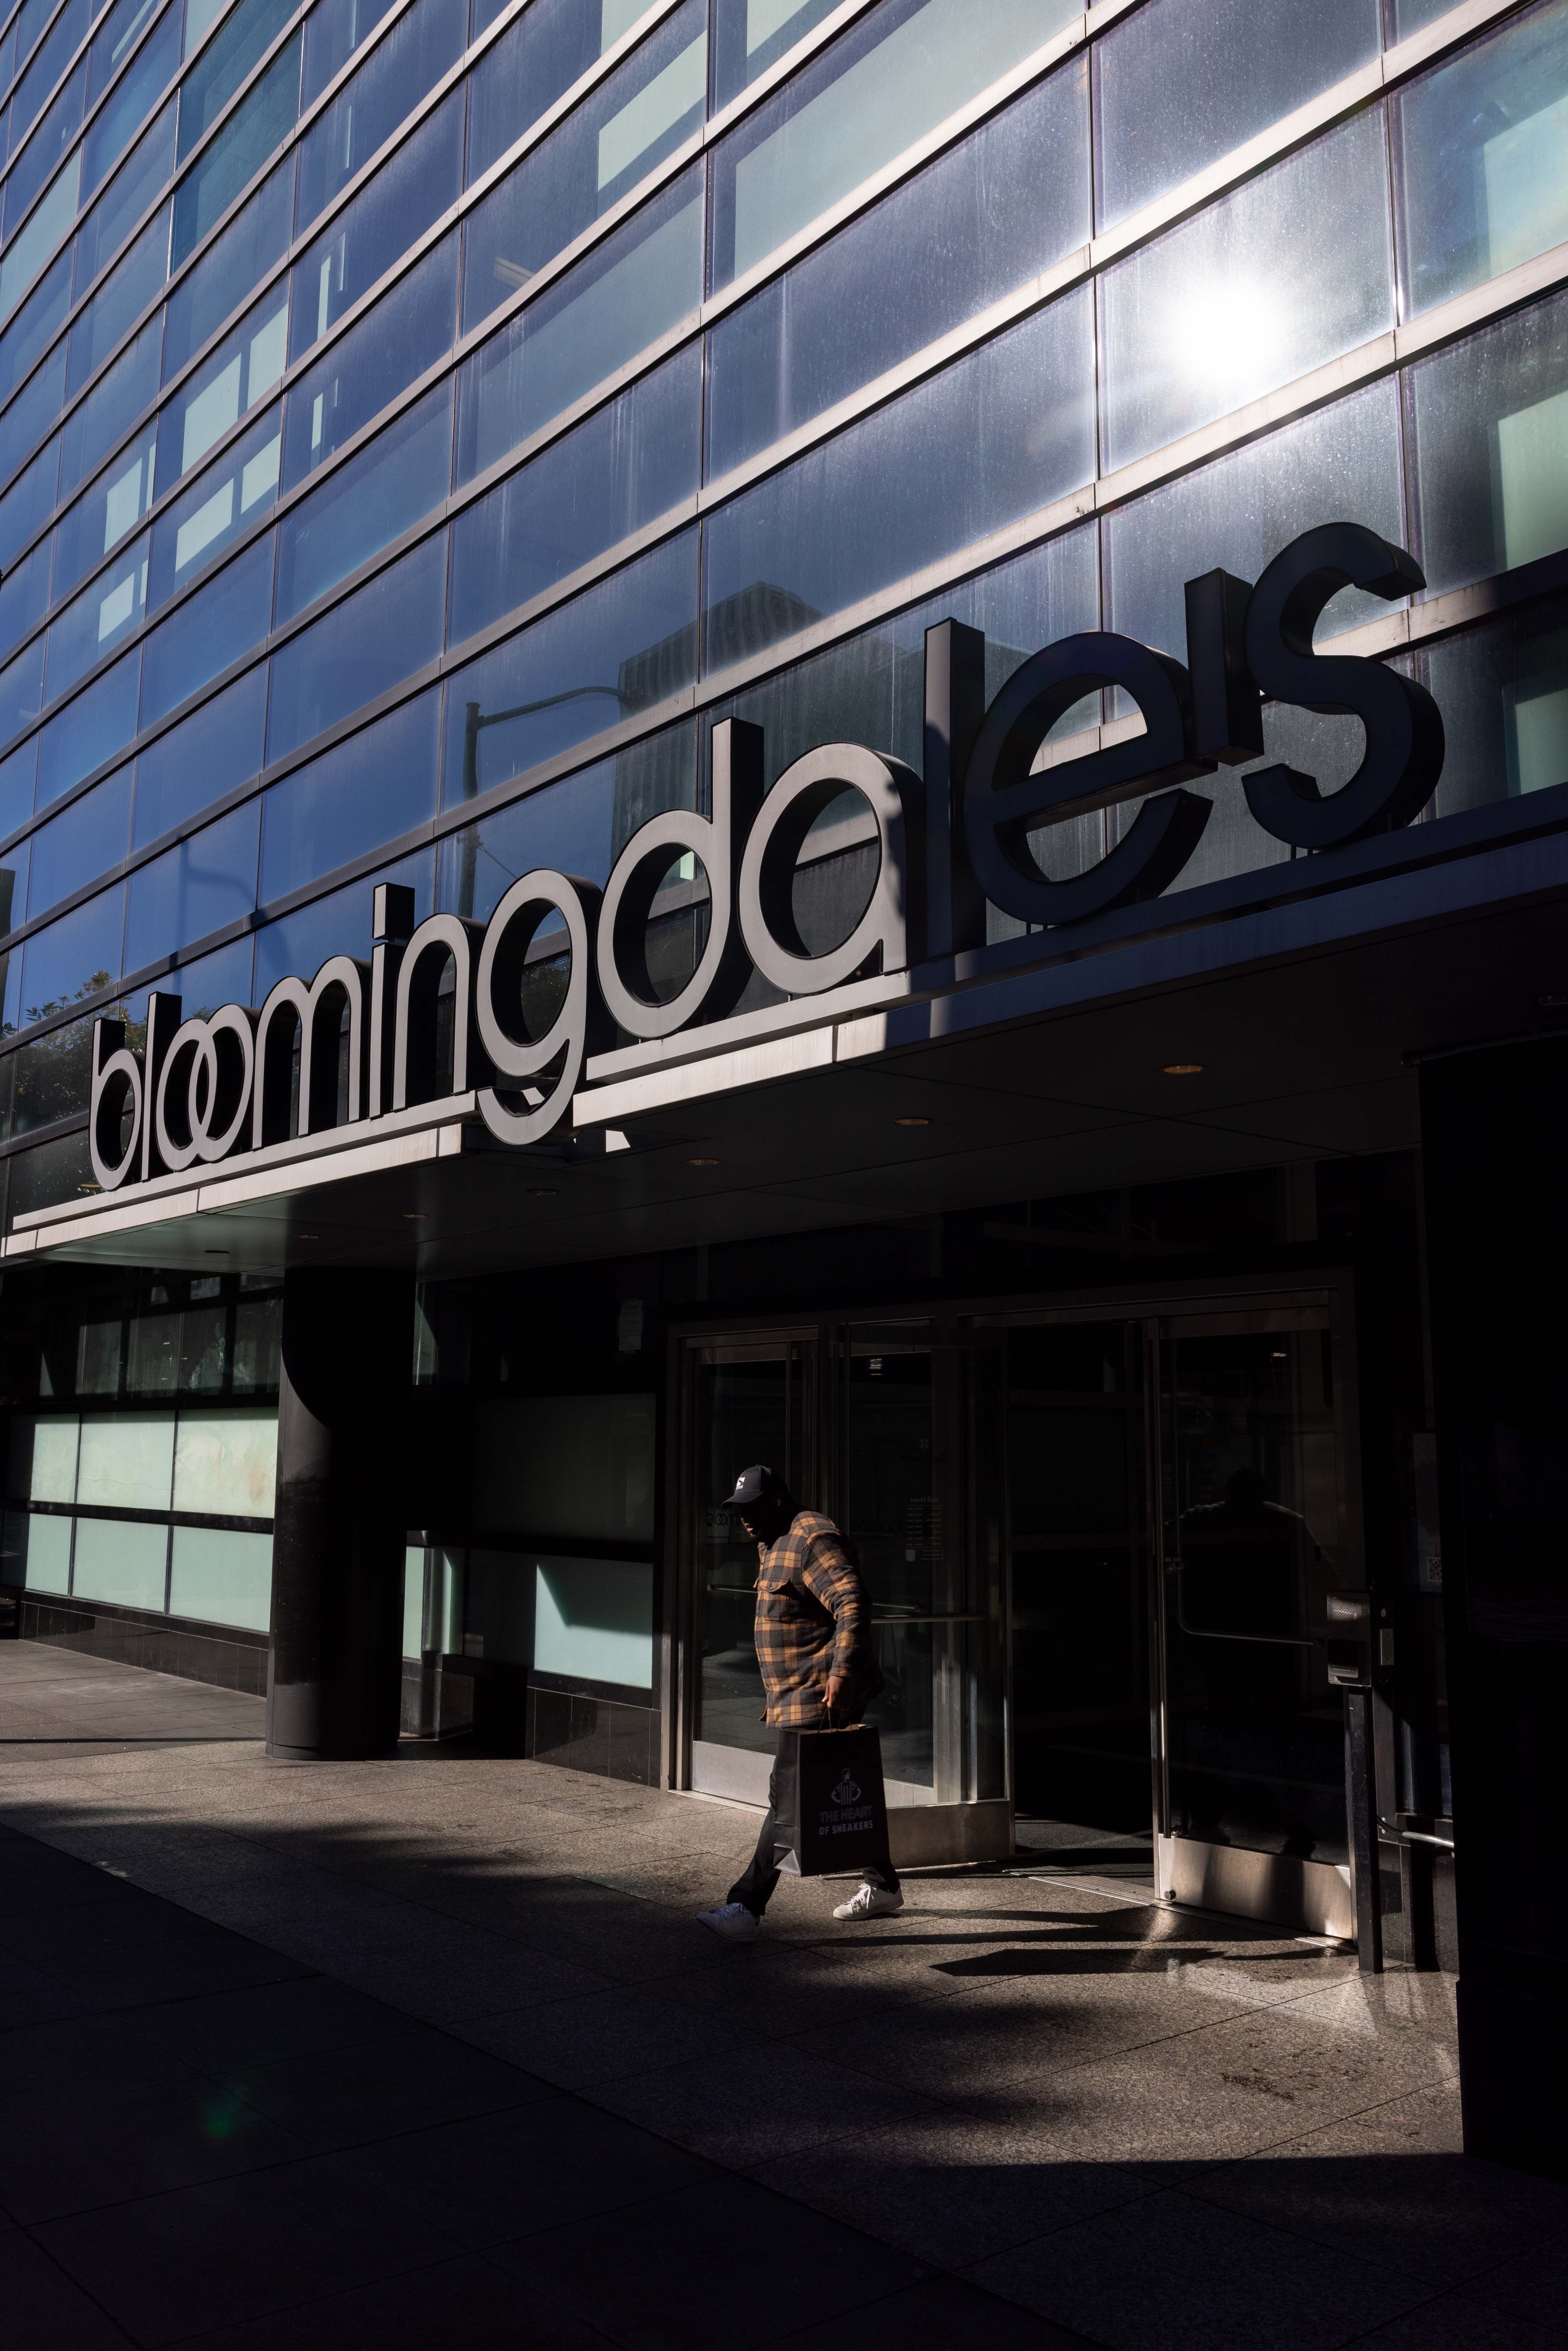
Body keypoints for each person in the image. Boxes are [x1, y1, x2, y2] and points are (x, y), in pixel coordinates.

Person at [698, 1463, 901, 1944]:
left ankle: (746, 1907)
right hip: (800, 1695)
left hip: (824, 1693)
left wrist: (840, 1675)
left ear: (779, 1500)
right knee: (827, 1791)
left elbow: (852, 1604)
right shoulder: (773, 1540)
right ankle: (885, 1884)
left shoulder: (812, 1537)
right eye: (739, 1509)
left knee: (789, 1798)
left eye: (752, 1507)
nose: (744, 1518)